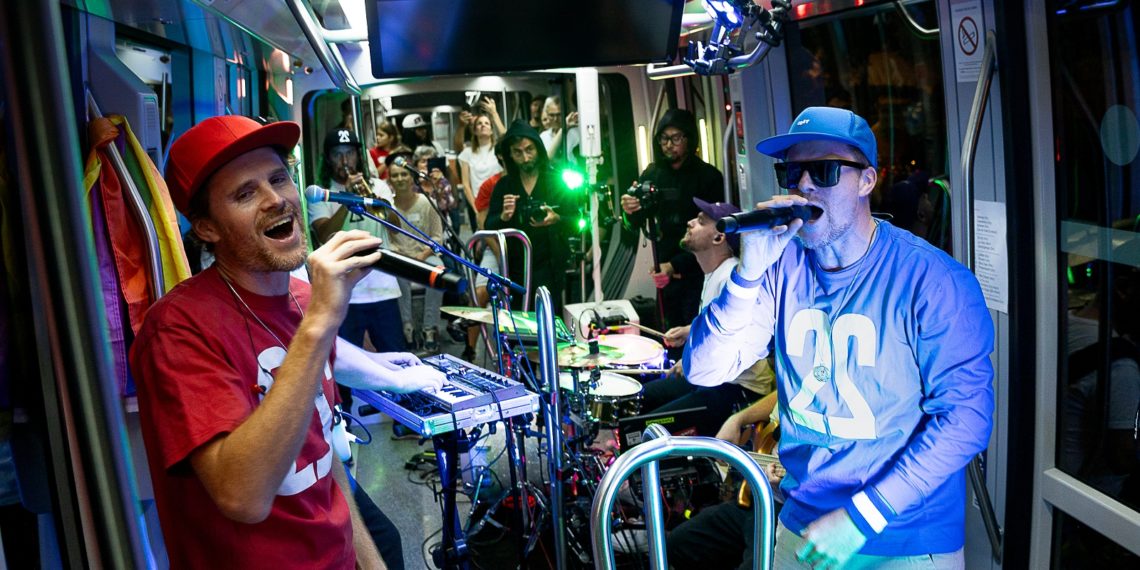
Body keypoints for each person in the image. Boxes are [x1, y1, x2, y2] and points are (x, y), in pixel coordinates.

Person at [685, 106, 994, 568]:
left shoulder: (932, 280)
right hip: (803, 524)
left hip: (904, 535)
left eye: (824, 170)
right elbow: (705, 370)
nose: (804, 185)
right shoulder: (780, 267)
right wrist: (747, 275)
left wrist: (862, 517)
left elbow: (966, 418)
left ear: (867, 181)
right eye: (793, 172)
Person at [130, 115, 445, 568]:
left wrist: (371, 562)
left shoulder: (303, 299)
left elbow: (320, 451)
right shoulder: (178, 330)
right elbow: (243, 495)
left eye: (279, 179)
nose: (275, 199)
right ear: (207, 228)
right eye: (245, 193)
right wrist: (320, 324)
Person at [641, 198, 774, 437]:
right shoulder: (714, 273)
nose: (690, 222)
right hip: (718, 381)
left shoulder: (730, 279)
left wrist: (693, 362)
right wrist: (688, 330)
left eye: (701, 221)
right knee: (644, 397)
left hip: (739, 389)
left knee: (648, 427)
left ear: (719, 237)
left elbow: (742, 342)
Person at [309, 128, 406, 413]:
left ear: (358, 156)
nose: (345, 160)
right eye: (338, 154)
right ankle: (344, 420)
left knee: (396, 356)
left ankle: (404, 420)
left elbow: (396, 227)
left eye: (349, 153)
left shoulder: (379, 187)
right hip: (345, 293)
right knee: (342, 366)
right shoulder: (323, 193)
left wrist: (372, 198)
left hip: (384, 288)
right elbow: (323, 234)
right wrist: (347, 199)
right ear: (328, 158)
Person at [621, 109, 724, 333]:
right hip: (664, 271)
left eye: (676, 138)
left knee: (696, 331)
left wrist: (675, 266)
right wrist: (629, 211)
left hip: (699, 269)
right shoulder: (652, 175)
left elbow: (714, 234)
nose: (669, 145)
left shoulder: (709, 177)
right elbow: (634, 224)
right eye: (664, 138)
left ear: (689, 139)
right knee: (667, 334)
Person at [485, 120, 577, 312]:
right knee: (520, 319)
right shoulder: (504, 185)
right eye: (518, 152)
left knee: (549, 316)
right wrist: (504, 216)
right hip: (515, 267)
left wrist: (557, 219)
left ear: (538, 149)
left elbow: (577, 221)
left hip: (550, 265)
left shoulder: (556, 181)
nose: (525, 158)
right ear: (509, 154)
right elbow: (489, 226)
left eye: (529, 150)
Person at [385, 152, 446, 353]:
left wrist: (422, 255)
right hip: (399, 257)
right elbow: (387, 239)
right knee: (397, 274)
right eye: (395, 175)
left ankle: (430, 328)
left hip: (425, 256)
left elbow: (437, 237)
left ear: (412, 177)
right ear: (389, 180)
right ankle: (407, 328)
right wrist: (402, 256)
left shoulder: (427, 203)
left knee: (439, 271)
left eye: (404, 174)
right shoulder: (387, 207)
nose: (400, 179)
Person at [459, 113, 503, 228]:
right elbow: (466, 185)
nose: (483, 125)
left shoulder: (499, 150)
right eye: (479, 123)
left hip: (498, 200)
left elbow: (506, 136)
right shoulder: (467, 153)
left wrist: (494, 113)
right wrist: (476, 210)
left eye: (486, 123)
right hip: (479, 202)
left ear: (492, 130)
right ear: (474, 131)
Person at [538, 97, 580, 161]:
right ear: (547, 114)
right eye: (552, 115)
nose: (555, 119)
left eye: (559, 115)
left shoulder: (576, 134)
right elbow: (547, 158)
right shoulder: (543, 136)